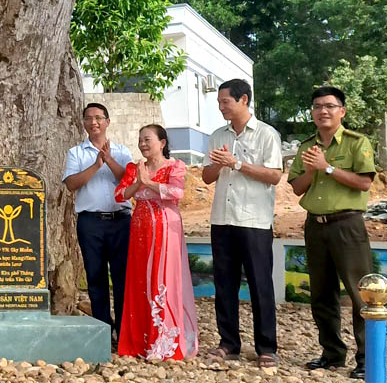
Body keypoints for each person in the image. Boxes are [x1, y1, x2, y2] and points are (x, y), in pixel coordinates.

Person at [289, 86, 375, 380]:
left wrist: (326, 168)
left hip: (347, 225)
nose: (322, 111)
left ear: (342, 111)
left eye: (329, 105)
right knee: (322, 293)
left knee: (360, 293)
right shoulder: (306, 147)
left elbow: (364, 183)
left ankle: (367, 358)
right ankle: (332, 353)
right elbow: (297, 187)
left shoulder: (356, 142)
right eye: (316, 106)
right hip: (315, 225)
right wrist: (312, 170)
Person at [201, 79, 282, 368]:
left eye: (226, 101)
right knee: (224, 283)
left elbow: (274, 176)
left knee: (260, 284)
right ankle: (229, 343)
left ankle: (266, 347)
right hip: (222, 219)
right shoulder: (216, 135)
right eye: (219, 102)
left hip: (254, 221)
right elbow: (206, 178)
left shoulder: (266, 135)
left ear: (244, 99)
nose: (222, 106)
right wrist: (219, 165)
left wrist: (237, 164)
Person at [115, 124, 198, 360]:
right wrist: (138, 183)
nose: (142, 144)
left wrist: (148, 183)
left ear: (162, 143)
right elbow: (120, 195)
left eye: (147, 139)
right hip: (140, 228)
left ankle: (163, 338)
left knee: (163, 277)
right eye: (140, 139)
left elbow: (177, 193)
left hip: (166, 227)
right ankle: (140, 338)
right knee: (141, 278)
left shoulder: (175, 166)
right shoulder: (134, 168)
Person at [62, 103, 133, 343]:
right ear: (83, 123)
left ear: (107, 122)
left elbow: (129, 181)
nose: (94, 122)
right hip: (90, 222)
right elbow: (71, 184)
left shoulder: (122, 151)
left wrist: (109, 160)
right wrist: (95, 165)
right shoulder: (76, 153)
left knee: (123, 278)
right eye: (89, 118)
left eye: (99, 118)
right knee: (95, 276)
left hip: (120, 222)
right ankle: (103, 329)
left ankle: (124, 331)